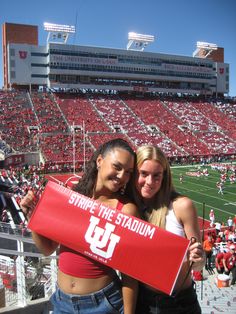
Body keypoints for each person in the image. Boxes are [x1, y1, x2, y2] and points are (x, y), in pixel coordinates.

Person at [20, 138, 140, 314]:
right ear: (99, 161)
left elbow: (130, 274)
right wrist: (32, 217)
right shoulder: (70, 195)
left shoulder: (126, 210)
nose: (122, 176)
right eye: (117, 167)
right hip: (62, 302)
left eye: (128, 172)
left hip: (103, 304)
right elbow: (48, 248)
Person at [133, 145, 205, 314]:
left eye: (156, 176)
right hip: (142, 301)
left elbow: (198, 265)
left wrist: (198, 257)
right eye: (143, 174)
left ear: (164, 177)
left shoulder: (182, 206)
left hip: (179, 303)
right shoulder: (129, 208)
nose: (150, 182)